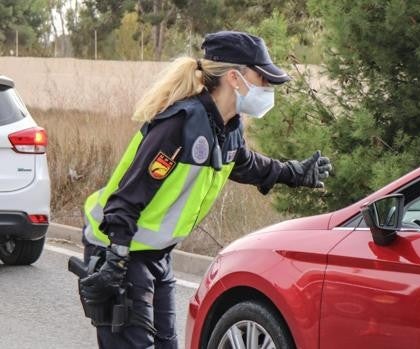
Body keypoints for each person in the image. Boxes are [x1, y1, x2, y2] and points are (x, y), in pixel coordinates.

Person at [76, 31, 332, 349]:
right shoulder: (178, 126)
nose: (267, 87)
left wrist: (294, 173)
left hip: (155, 254)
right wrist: (115, 259)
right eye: (262, 78)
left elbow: (248, 165)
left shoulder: (227, 129)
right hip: (120, 248)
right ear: (235, 78)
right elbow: (127, 197)